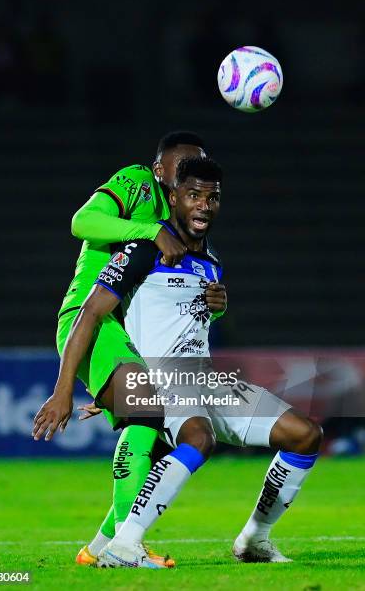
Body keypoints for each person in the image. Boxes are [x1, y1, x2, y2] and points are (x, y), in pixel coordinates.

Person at [49, 155, 323, 568]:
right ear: (173, 198)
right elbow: (89, 313)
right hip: (162, 378)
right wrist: (67, 387)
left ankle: (254, 539)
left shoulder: (211, 260)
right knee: (197, 438)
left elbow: (192, 318)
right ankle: (125, 547)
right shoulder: (142, 249)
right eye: (193, 195)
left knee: (305, 434)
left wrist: (217, 307)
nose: (204, 205)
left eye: (212, 197)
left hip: (207, 379)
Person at [33, 132, 210, 566]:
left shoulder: (182, 222)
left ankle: (100, 547)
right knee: (148, 412)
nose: (187, 175)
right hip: (88, 317)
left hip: (123, 333)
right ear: (160, 170)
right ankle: (126, 547)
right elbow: (82, 221)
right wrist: (63, 391)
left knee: (163, 444)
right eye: (181, 166)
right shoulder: (137, 184)